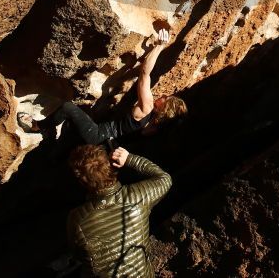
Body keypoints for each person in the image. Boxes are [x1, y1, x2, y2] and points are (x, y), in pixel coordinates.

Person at [17, 28, 187, 144]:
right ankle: (53, 133)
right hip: (103, 140)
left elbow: (144, 74)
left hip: (97, 134)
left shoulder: (147, 107)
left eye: (166, 99)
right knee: (76, 118)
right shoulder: (152, 127)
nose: (163, 96)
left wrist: (159, 46)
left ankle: (38, 127)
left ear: (164, 108)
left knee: (67, 107)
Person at [66, 145, 171, 277]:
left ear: (82, 182)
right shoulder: (136, 197)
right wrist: (129, 159)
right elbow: (165, 179)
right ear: (110, 166)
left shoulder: (77, 219)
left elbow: (76, 254)